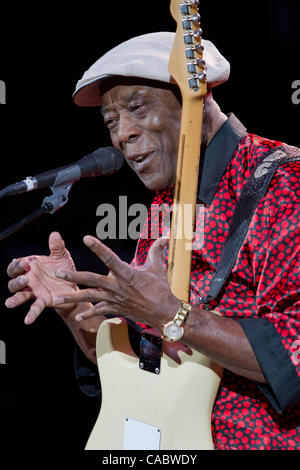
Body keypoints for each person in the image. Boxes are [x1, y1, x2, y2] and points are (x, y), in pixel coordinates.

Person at [5, 32, 300, 450]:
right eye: (111, 122)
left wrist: (172, 314)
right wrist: (74, 306)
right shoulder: (164, 205)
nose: (122, 134)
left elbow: (293, 353)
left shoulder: (285, 184)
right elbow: (149, 367)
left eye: (136, 108)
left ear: (195, 97)